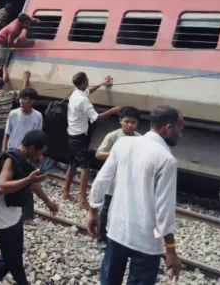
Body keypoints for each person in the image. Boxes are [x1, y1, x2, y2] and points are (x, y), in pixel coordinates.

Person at [87, 106, 184, 284]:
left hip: (117, 230)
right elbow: (164, 209)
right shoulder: (166, 160)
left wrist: (93, 212)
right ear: (168, 127)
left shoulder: (122, 144)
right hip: (146, 241)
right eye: (180, 128)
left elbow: (101, 180)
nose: (181, 134)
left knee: (108, 280)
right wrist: (170, 249)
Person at [0, 129, 59, 285]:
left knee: (9, 257)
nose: (40, 156)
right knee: (14, 262)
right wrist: (28, 179)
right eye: (39, 152)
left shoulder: (24, 159)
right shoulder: (11, 159)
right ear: (31, 149)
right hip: (2, 219)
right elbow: (2, 187)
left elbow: (32, 183)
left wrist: (48, 201)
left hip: (14, 216)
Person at [63, 72, 121, 210]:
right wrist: (112, 111)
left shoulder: (75, 92)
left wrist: (102, 84)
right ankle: (83, 200)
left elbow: (88, 91)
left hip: (70, 133)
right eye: (87, 80)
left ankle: (65, 192)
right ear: (84, 82)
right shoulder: (83, 101)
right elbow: (97, 118)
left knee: (72, 164)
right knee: (84, 168)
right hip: (79, 137)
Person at [95, 106, 142, 243]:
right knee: (106, 210)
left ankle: (118, 237)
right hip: (112, 182)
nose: (129, 125)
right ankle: (102, 237)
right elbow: (98, 154)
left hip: (129, 182)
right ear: (120, 121)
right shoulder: (113, 136)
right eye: (127, 121)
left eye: (133, 122)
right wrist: (115, 154)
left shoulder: (139, 138)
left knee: (125, 210)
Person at [2, 87, 42, 223]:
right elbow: (7, 134)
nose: (21, 101)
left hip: (28, 155)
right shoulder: (13, 114)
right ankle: (9, 211)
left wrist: (38, 155)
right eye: (20, 98)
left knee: (28, 184)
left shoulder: (37, 116)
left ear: (32, 101)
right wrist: (4, 151)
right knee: (10, 183)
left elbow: (38, 136)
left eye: (25, 99)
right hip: (13, 153)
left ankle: (27, 216)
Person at [0, 72, 32, 177]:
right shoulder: (10, 94)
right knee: (2, 150)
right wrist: (26, 80)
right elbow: (22, 92)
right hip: (6, 127)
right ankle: (0, 170)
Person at [0, 14, 35, 80]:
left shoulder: (19, 20)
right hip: (0, 43)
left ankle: (2, 75)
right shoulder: (13, 30)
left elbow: (26, 17)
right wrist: (25, 45)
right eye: (26, 23)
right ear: (20, 23)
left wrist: (34, 20)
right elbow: (10, 44)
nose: (28, 25)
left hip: (6, 42)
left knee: (5, 62)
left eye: (28, 22)